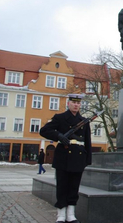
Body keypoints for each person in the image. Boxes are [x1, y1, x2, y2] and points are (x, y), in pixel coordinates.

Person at [40, 94, 92, 223]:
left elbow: (87, 141)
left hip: (78, 157)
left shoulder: (84, 121)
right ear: (68, 103)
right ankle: (61, 215)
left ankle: (71, 214)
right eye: (73, 102)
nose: (76, 105)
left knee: (74, 187)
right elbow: (44, 130)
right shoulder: (60, 118)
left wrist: (88, 159)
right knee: (62, 186)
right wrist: (58, 136)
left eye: (78, 103)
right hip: (63, 156)